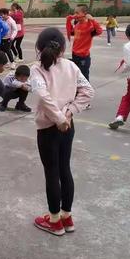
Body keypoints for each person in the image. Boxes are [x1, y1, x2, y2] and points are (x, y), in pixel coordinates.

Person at [31, 27, 94, 236]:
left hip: (50, 127)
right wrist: (68, 113)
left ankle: (55, 220)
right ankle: (67, 217)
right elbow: (87, 91)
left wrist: (59, 117)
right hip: (67, 126)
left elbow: (43, 96)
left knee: (52, 172)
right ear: (64, 47)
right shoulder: (71, 66)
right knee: (64, 169)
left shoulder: (37, 68)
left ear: (39, 48)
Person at [66, 4, 102, 81]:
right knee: (76, 75)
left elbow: (99, 31)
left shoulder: (90, 26)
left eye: (77, 13)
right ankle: (77, 91)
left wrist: (93, 20)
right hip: (75, 54)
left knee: (84, 77)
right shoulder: (77, 24)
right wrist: (69, 21)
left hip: (83, 57)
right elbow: (72, 32)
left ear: (85, 14)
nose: (75, 15)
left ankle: (85, 92)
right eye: (74, 13)